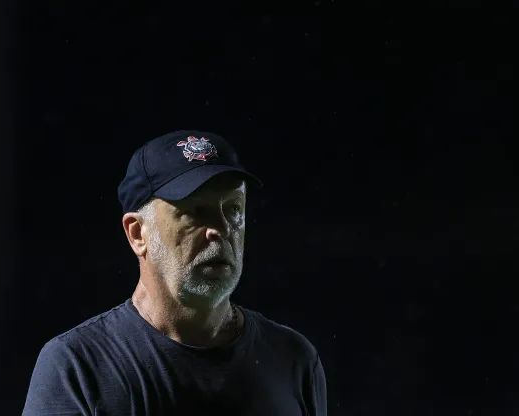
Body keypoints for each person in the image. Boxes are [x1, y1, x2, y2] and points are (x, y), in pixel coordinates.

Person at [23, 131, 327, 415]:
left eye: (233, 209)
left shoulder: (293, 360)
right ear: (138, 233)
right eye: (195, 211)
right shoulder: (78, 367)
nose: (220, 230)